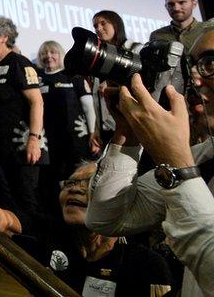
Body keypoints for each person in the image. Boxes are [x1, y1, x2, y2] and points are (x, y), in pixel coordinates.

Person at [86, 28, 214, 296]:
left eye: (210, 64)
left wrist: (176, 161)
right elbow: (107, 219)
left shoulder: (190, 160)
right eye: (193, 67)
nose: (196, 81)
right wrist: (128, 135)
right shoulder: (207, 157)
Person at [30, 162, 173, 294]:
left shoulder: (147, 266)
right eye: (70, 183)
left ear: (120, 201)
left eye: (91, 184)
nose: (74, 189)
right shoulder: (44, 234)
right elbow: (9, 220)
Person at [0, 16, 47, 235]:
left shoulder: (19, 63)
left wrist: (34, 140)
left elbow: (37, 102)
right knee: (7, 201)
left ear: (4, 37)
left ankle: (36, 252)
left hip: (23, 146)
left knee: (27, 201)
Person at [37, 41, 94, 190]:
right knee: (56, 180)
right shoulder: (37, 78)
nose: (48, 56)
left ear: (60, 54)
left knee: (79, 178)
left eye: (53, 52)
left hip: (76, 139)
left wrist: (93, 134)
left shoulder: (73, 76)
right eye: (44, 53)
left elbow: (88, 107)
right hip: (49, 140)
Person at [88, 9, 128, 154]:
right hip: (108, 129)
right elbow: (96, 99)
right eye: (95, 26)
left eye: (103, 23)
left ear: (116, 24)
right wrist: (96, 129)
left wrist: (114, 89)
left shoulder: (132, 51)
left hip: (132, 126)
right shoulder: (97, 59)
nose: (98, 28)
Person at [149, 0, 213, 52]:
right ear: (166, 7)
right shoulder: (157, 36)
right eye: (171, 4)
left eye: (182, 2)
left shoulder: (210, 30)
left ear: (194, 4)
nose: (176, 8)